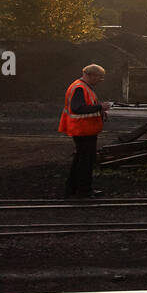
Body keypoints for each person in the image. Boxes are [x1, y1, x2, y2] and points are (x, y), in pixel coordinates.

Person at [59, 64, 112, 198]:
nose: (100, 81)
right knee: (85, 162)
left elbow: (84, 107)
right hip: (82, 130)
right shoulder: (79, 88)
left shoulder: (83, 87)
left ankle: (71, 189)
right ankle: (84, 191)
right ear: (90, 75)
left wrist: (99, 111)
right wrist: (100, 106)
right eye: (99, 77)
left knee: (80, 160)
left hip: (84, 129)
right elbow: (78, 108)